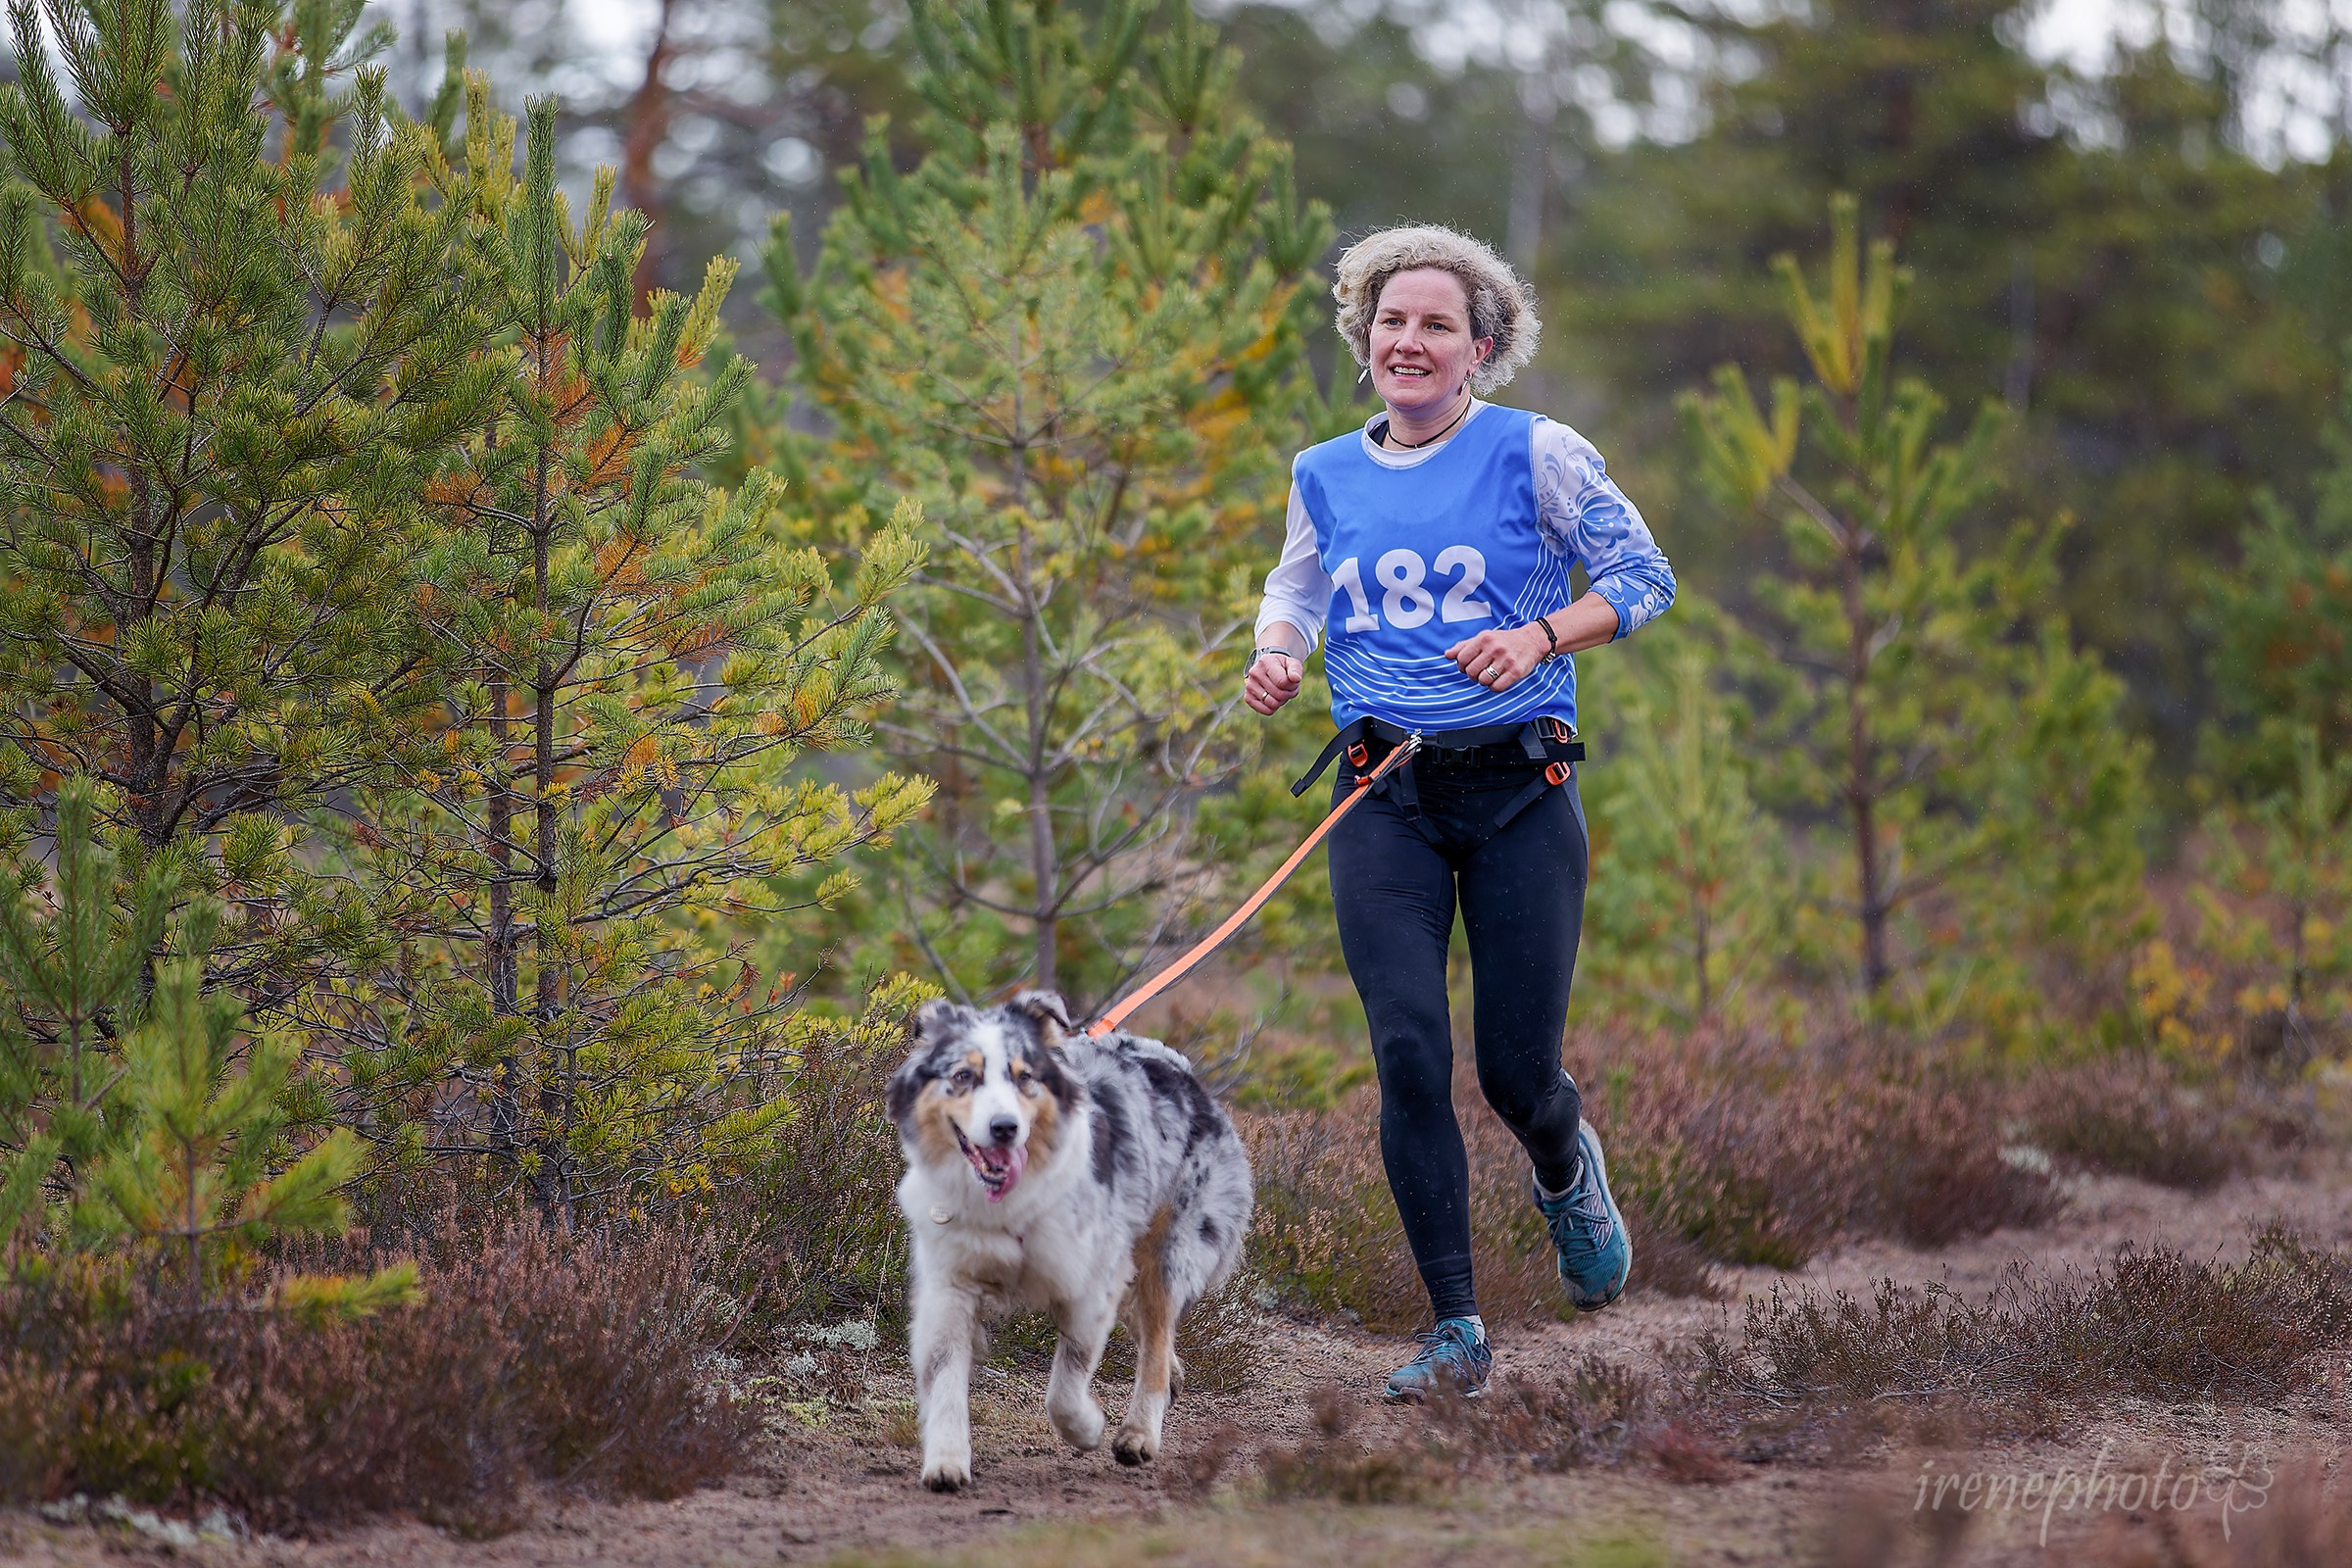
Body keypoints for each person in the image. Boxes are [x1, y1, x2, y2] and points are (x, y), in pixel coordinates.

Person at [1245, 225, 1676, 1401]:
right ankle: (1456, 1330)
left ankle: (1563, 1163)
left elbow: (1645, 580)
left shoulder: (1538, 454)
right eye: (1392, 322)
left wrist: (1539, 635)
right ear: (1364, 340)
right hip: (1383, 792)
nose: (1411, 341)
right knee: (1406, 1052)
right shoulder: (1322, 471)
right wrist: (1280, 653)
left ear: (1481, 348)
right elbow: (1300, 585)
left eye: (1438, 324)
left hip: (1520, 787)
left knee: (1514, 1071)